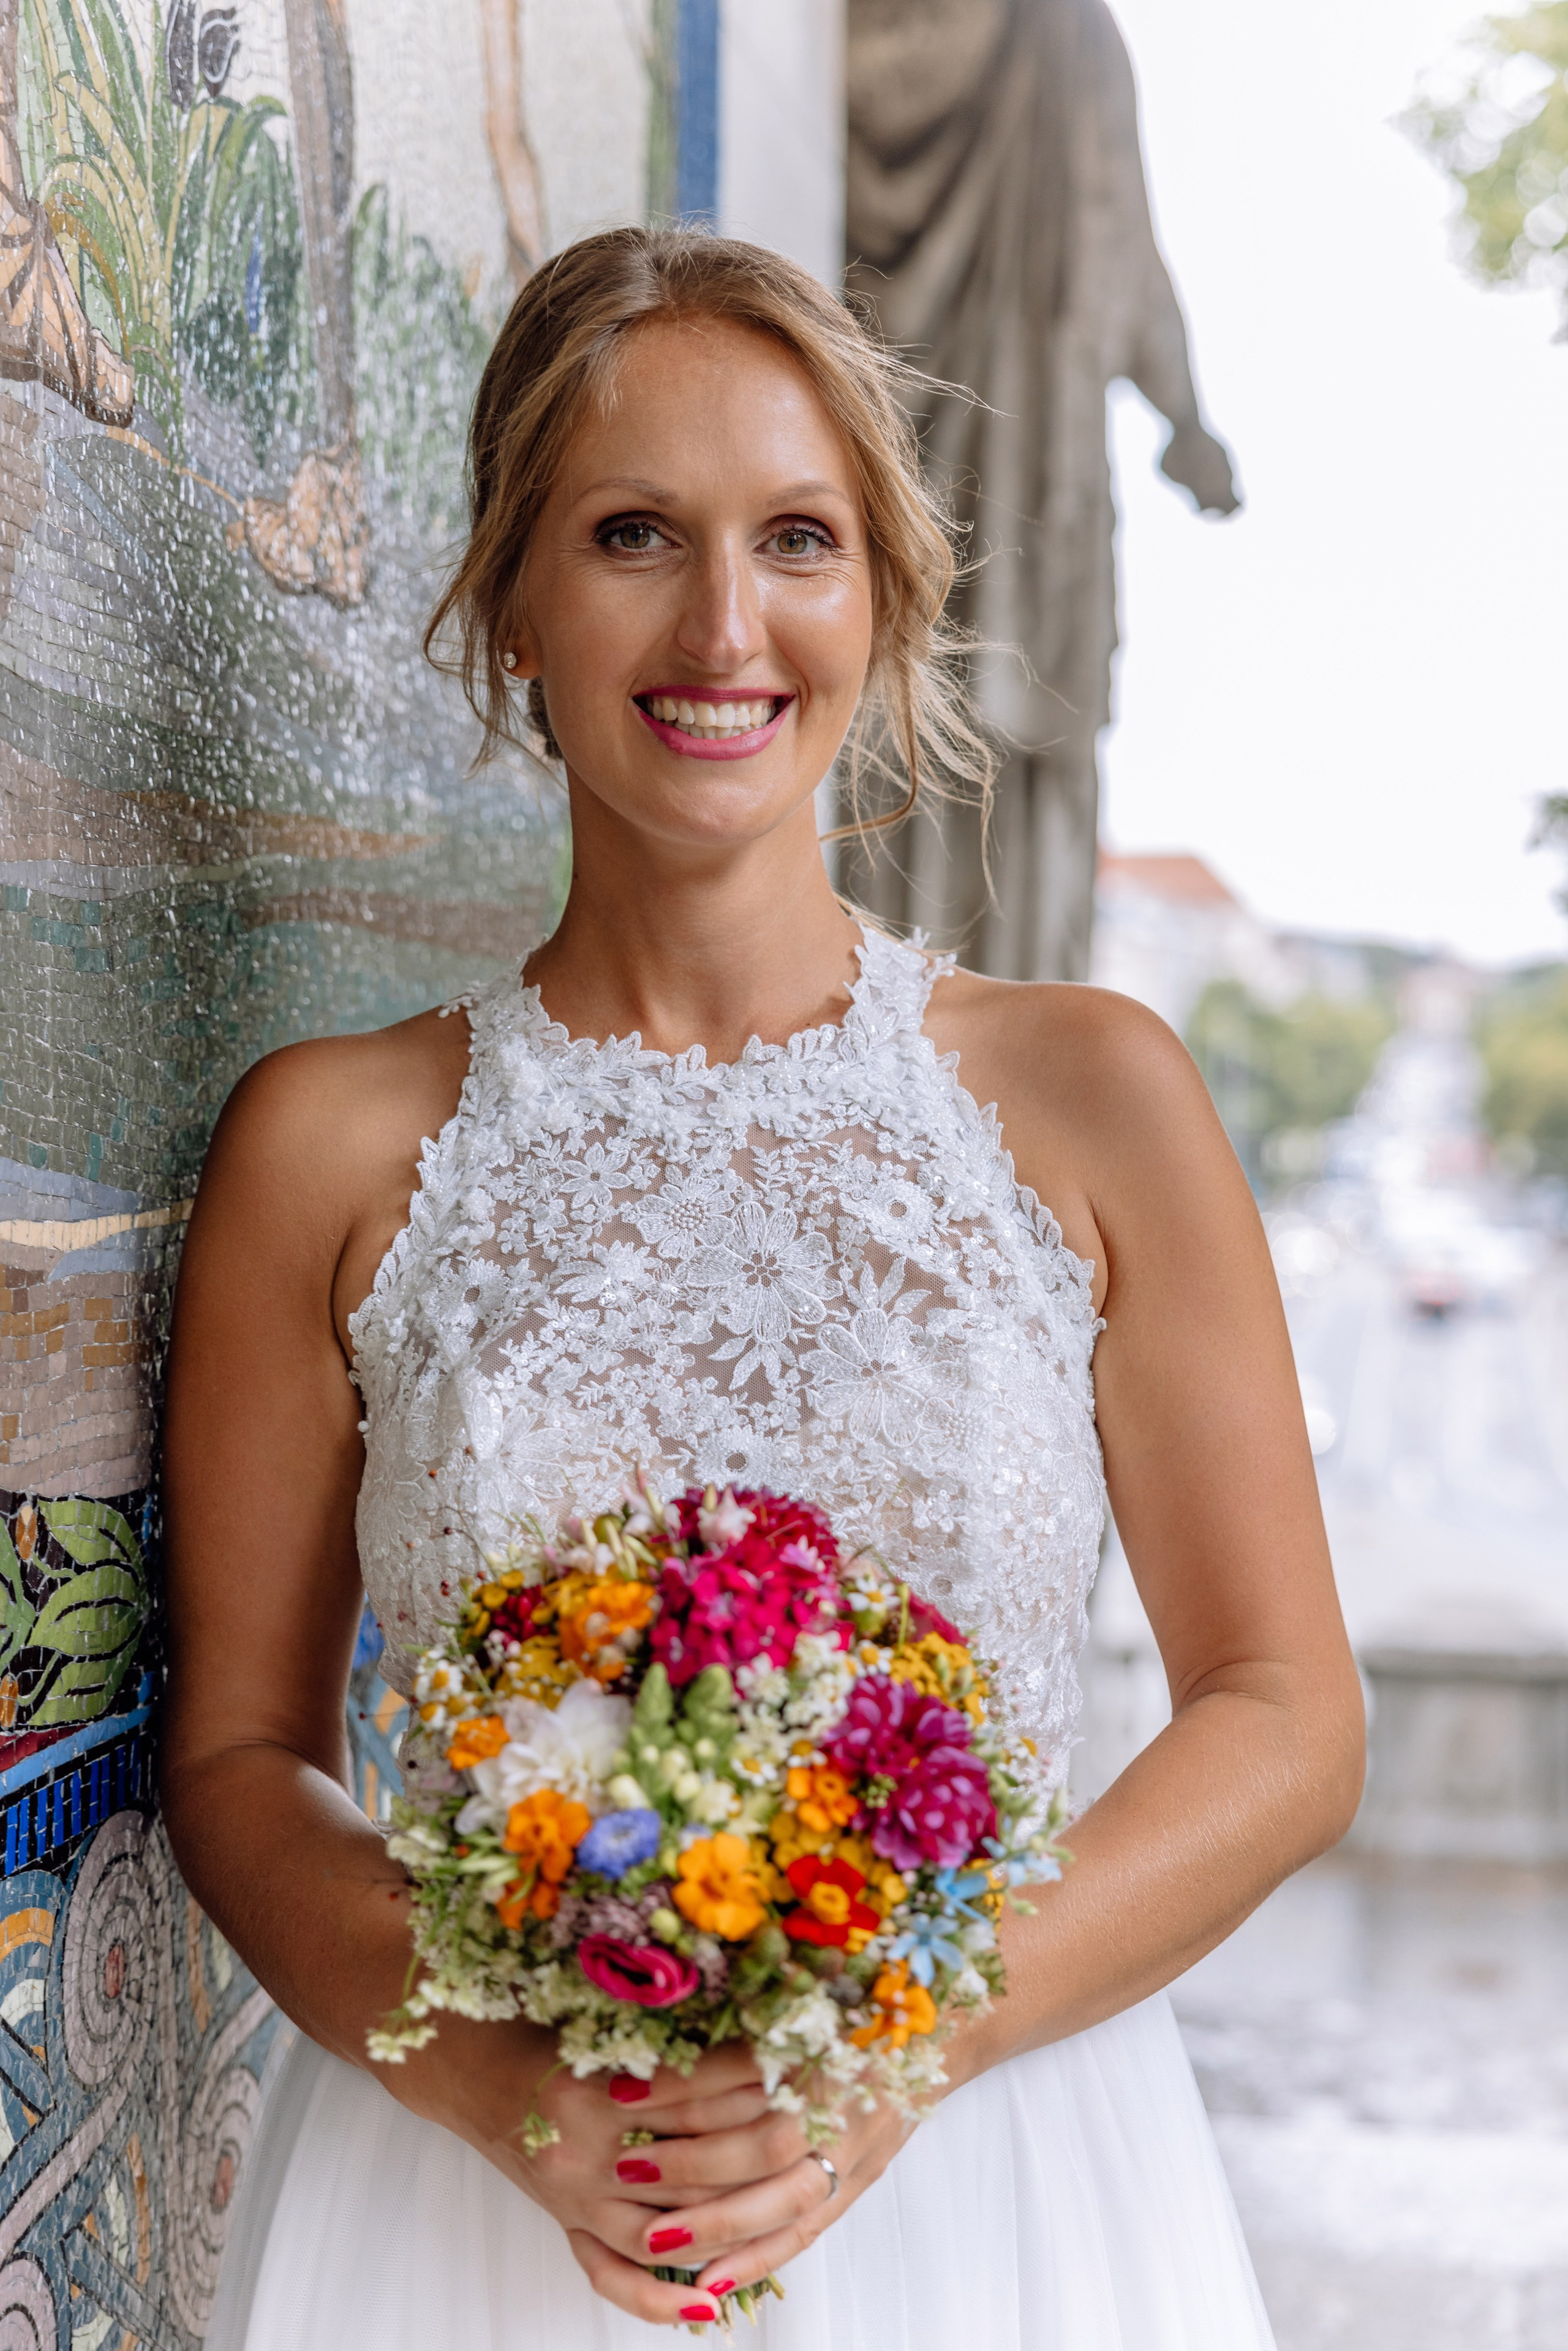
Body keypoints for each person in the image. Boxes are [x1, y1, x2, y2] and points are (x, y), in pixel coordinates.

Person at [162, 227, 1363, 2349]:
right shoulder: (329, 1147)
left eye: (797, 538)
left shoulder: (1096, 1097)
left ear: (880, 592)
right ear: (513, 602)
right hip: (479, 2205)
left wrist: (907, 2043)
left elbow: (1287, 1714)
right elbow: (247, 1756)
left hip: (995, 2189)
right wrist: (512, 2098)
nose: (726, 625)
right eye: (634, 534)